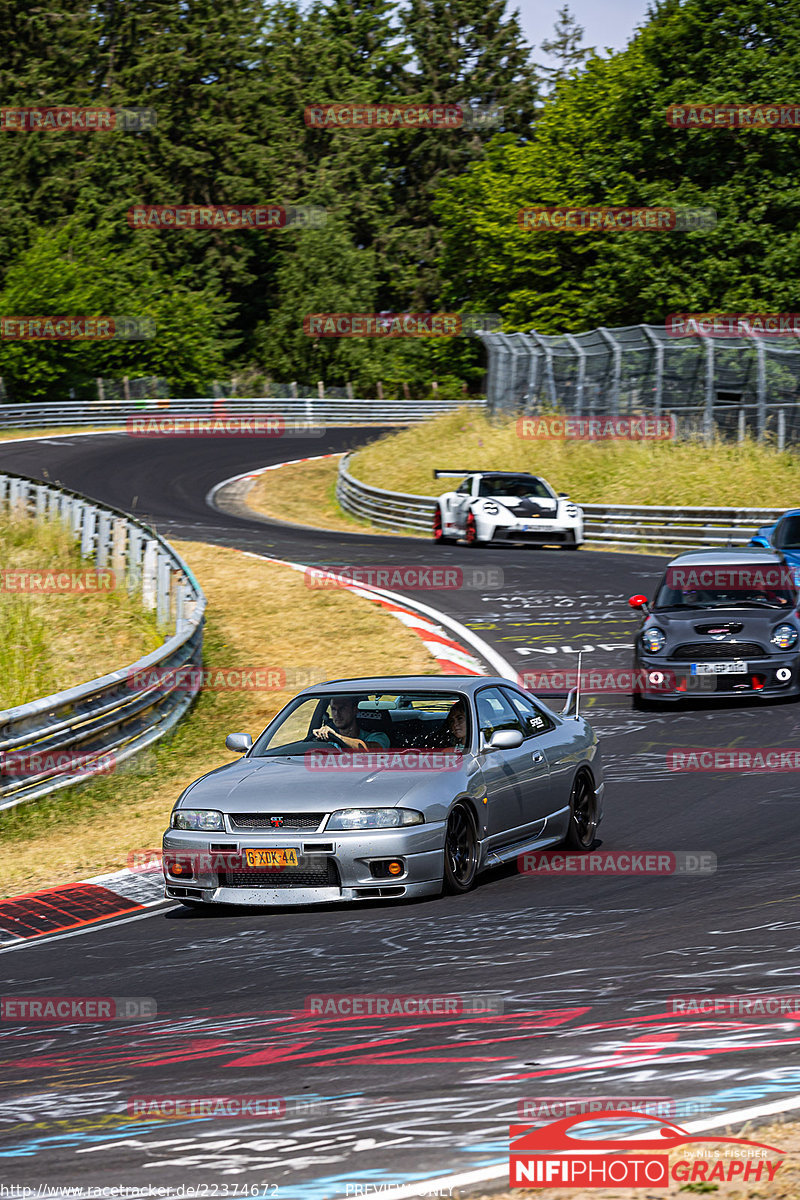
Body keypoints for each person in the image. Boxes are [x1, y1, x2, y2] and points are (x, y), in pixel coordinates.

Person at [312, 695, 390, 751]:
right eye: (333, 709)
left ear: (355, 710)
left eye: (342, 708)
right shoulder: (327, 742)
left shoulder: (378, 737)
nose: (337, 714)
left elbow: (369, 749)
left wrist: (336, 737)